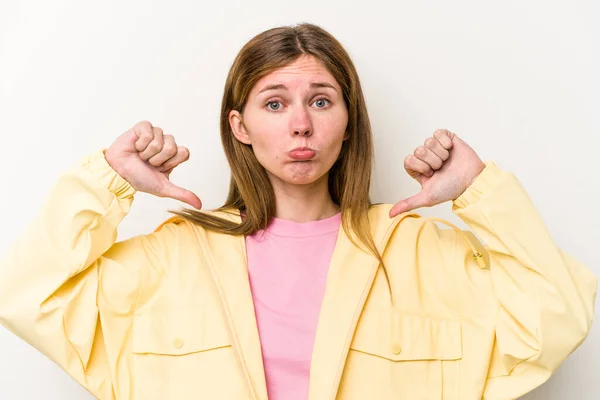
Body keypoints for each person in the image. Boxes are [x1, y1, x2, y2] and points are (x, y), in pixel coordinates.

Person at [0, 23, 596, 400]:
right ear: (241, 128)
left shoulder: (418, 251)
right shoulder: (175, 255)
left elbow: (559, 317)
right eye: (275, 102)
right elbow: (26, 296)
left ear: (347, 122)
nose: (301, 123)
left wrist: (479, 191)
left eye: (320, 100)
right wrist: (107, 180)